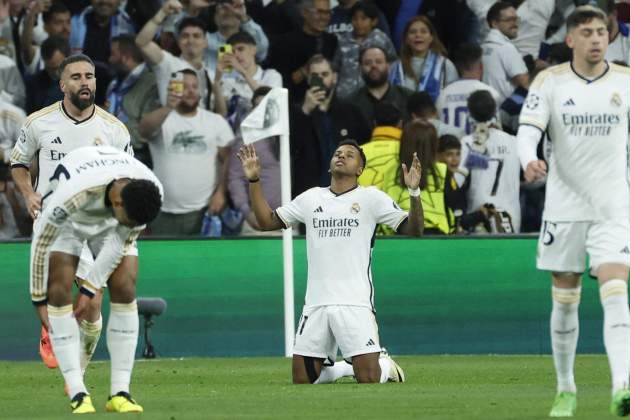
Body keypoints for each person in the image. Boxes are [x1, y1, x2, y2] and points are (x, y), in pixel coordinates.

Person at [516, 6, 630, 417]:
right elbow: (528, 129)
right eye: (588, 33)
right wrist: (528, 158)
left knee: (616, 289)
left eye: (602, 31)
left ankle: (622, 386)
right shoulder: (550, 82)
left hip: (613, 207)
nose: (597, 39)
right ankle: (566, 389)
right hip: (564, 208)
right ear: (571, 40)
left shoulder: (625, 80)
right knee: (565, 301)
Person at [237, 139, 423, 384]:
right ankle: (344, 368)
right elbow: (265, 222)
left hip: (354, 301)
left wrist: (413, 192)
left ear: (360, 169)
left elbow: (415, 229)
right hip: (316, 302)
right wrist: (254, 180)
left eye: (349, 154)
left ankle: (385, 366)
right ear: (329, 165)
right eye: (337, 153)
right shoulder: (311, 198)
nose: (341, 156)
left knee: (368, 378)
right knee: (303, 380)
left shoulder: (371, 198)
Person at [10, 53, 133, 378]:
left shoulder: (114, 130)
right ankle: (55, 325)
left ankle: (77, 369)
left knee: (93, 305)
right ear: (62, 84)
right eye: (76, 77)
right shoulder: (39, 122)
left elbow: (128, 176)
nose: (84, 82)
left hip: (100, 220)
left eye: (89, 76)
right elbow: (18, 163)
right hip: (56, 218)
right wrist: (28, 194)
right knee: (77, 294)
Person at [30, 145, 162, 413]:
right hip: (71, 221)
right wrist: (38, 299)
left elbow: (120, 242)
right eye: (130, 220)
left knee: (125, 285)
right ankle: (77, 392)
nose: (133, 226)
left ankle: (120, 392)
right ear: (117, 204)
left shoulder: (149, 193)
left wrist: (90, 288)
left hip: (109, 222)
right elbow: (41, 244)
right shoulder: (71, 195)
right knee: (58, 289)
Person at [138, 69, 234, 236]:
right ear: (172, 88)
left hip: (203, 211)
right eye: (184, 86)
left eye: (194, 87)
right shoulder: (161, 119)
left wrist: (221, 193)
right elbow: (143, 130)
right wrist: (168, 107)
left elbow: (229, 160)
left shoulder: (215, 121)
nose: (190, 91)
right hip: (162, 211)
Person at [290, 54, 370, 196]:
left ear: (334, 77)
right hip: (310, 192)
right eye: (315, 75)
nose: (320, 79)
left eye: (324, 74)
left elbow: (366, 146)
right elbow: (290, 147)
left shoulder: (351, 111)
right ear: (308, 78)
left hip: (348, 190)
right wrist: (305, 110)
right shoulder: (297, 111)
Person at [135, 1, 220, 112]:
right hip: (171, 125)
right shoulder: (168, 63)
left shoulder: (212, 75)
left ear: (206, 42)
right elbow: (142, 43)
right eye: (185, 36)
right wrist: (162, 13)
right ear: (179, 42)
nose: (190, 40)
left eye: (196, 36)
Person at [459, 90, 520, 233]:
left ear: (470, 113)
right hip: (511, 217)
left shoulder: (467, 143)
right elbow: (535, 179)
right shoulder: (514, 142)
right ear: (494, 111)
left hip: (479, 217)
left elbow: (458, 181)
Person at [385, 119, 459, 235]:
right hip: (437, 237)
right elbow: (454, 206)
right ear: (433, 145)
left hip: (398, 237)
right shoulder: (443, 171)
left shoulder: (390, 172)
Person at [227, 86, 281, 234]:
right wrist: (247, 213)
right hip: (259, 221)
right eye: (259, 106)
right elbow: (235, 178)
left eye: (267, 105)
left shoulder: (286, 135)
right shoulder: (246, 137)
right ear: (252, 109)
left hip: (288, 220)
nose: (263, 111)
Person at [265, 0, 337, 103]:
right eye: (319, 12)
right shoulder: (284, 43)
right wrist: (305, 69)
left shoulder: (332, 41)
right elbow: (278, 82)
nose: (324, 17)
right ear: (304, 13)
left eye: (327, 12)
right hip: (294, 105)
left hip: (327, 104)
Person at [107, 34, 161, 167]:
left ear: (125, 58)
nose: (109, 59)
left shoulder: (151, 84)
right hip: (110, 152)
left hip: (136, 157)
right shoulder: (114, 83)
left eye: (113, 54)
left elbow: (145, 133)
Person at [216, 31, 282, 131]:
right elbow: (222, 115)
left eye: (240, 49)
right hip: (235, 137)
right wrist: (216, 81)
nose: (236, 55)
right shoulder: (227, 81)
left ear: (254, 50)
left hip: (263, 136)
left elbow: (270, 106)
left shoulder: (271, 75)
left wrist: (243, 72)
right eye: (232, 52)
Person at [332, 1, 396, 99]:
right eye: (355, 19)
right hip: (345, 95)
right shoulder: (343, 39)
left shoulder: (381, 39)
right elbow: (335, 66)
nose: (358, 23)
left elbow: (393, 63)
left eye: (363, 19)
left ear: (374, 21)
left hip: (373, 95)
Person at [388, 15, 458, 102]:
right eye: (413, 32)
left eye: (423, 31)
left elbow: (453, 98)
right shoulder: (395, 68)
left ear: (431, 38)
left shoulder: (445, 66)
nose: (418, 35)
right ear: (406, 39)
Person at [435, 42, 500, 134]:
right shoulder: (491, 94)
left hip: (450, 146)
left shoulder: (443, 95)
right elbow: (496, 132)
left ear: (457, 67)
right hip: (480, 146)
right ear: (481, 66)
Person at [351, 46, 413, 127]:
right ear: (360, 68)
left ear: (388, 66)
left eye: (379, 62)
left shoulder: (408, 97)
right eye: (368, 63)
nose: (373, 66)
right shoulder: (351, 103)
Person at [482, 1, 530, 105]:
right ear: (494, 23)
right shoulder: (505, 47)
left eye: (516, 19)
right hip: (506, 112)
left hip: (487, 109)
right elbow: (524, 82)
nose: (515, 24)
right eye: (509, 20)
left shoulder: (483, 47)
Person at [21, 0, 72, 77]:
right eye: (59, 23)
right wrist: (33, 13)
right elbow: (25, 46)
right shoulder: (37, 54)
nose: (66, 28)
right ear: (45, 27)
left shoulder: (76, 55)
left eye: (68, 22)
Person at [25, 35, 68, 114]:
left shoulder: (82, 84)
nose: (54, 72)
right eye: (50, 68)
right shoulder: (33, 83)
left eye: (57, 67)